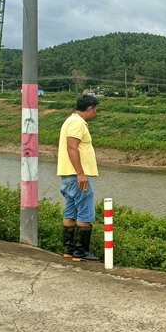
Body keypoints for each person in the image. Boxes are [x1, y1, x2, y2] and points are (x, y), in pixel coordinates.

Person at [57, 95, 100, 262]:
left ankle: (69, 250)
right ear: (89, 108)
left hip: (68, 175)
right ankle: (80, 252)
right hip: (77, 175)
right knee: (85, 212)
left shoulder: (70, 120)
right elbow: (71, 147)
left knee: (70, 211)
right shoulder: (77, 123)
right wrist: (81, 173)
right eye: (95, 110)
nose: (95, 113)